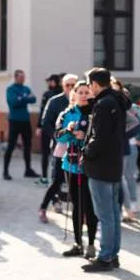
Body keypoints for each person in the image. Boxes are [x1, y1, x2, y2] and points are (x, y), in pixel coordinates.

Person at [81, 67, 130, 273]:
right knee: (112, 213)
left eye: (89, 84)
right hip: (114, 164)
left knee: (105, 214)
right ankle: (113, 254)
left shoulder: (103, 104)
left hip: (100, 165)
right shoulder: (117, 101)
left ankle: (106, 256)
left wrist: (86, 152)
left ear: (94, 84)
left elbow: (99, 137)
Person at [57, 81, 98, 258]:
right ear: (74, 94)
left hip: (90, 164)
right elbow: (58, 135)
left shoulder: (95, 112)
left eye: (86, 92)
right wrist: (69, 130)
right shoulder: (67, 113)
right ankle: (77, 243)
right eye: (79, 92)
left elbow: (100, 134)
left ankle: (91, 244)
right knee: (76, 206)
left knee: (90, 206)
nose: (83, 95)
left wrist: (84, 136)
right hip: (71, 164)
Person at [38, 74, 77, 221]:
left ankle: (81, 212)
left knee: (76, 182)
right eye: (68, 85)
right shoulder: (55, 101)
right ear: (63, 86)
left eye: (74, 85)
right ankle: (45, 206)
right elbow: (46, 122)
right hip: (60, 147)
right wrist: (58, 136)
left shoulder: (83, 102)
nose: (71, 88)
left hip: (77, 149)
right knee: (57, 180)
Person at [114, 79, 140, 222]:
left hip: (131, 145)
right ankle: (125, 206)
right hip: (120, 146)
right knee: (122, 177)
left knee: (127, 176)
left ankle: (131, 204)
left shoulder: (133, 108)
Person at [4, 69, 39, 180]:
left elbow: (33, 99)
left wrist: (22, 98)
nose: (23, 79)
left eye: (24, 77)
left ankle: (28, 170)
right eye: (21, 77)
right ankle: (5, 171)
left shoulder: (26, 88)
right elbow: (13, 102)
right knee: (11, 146)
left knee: (27, 145)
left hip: (25, 120)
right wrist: (25, 98)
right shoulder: (10, 89)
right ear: (16, 77)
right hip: (14, 120)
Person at [38, 74, 62, 181]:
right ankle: (51, 177)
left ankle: (46, 177)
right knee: (53, 153)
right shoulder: (60, 94)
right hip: (55, 128)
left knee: (48, 153)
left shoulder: (49, 94)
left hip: (50, 128)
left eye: (50, 81)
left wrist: (39, 125)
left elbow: (42, 112)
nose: (48, 83)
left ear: (54, 82)